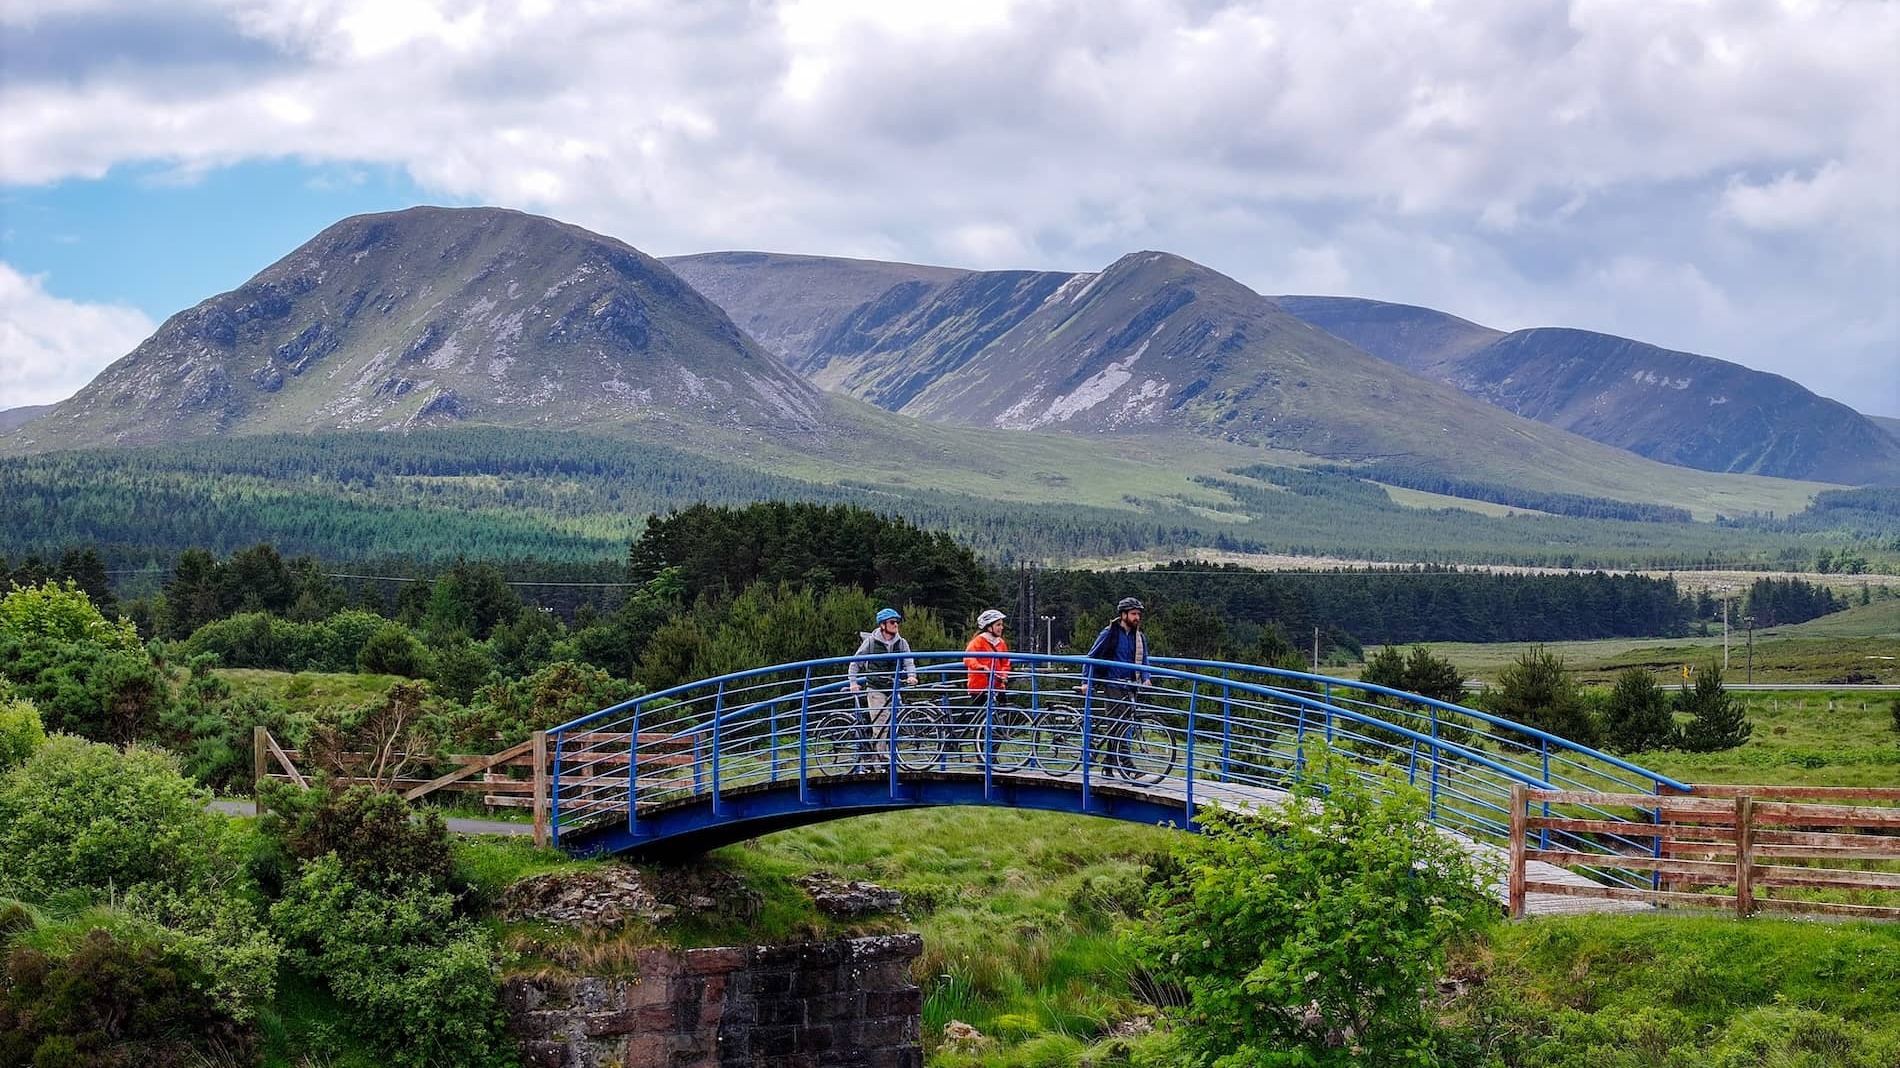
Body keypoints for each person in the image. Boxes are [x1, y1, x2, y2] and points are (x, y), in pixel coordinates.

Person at [848, 607, 918, 736]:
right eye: (892, 622)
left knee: (897, 719)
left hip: (893, 686)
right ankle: (880, 755)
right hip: (876, 686)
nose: (896, 624)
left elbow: (909, 662)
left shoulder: (902, 643)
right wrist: (853, 682)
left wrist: (912, 676)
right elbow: (855, 662)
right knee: (881, 722)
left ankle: (889, 752)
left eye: (897, 622)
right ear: (882, 625)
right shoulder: (871, 642)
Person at [961, 609, 1012, 725]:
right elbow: (968, 658)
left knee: (1002, 716)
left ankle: (995, 740)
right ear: (989, 627)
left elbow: (1005, 662)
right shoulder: (977, 642)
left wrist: (1003, 675)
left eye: (1001, 624)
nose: (1001, 628)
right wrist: (981, 667)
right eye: (998, 625)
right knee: (981, 719)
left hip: (998, 685)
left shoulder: (1001, 643)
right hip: (980, 686)